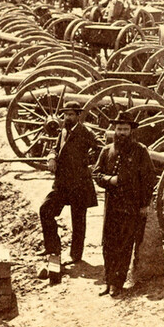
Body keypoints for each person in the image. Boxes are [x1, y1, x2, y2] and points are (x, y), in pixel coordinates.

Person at [93, 110, 157, 298]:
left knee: (124, 245)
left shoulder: (140, 151)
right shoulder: (106, 151)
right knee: (108, 244)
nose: (121, 133)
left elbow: (149, 179)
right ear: (114, 130)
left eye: (125, 129)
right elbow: (96, 174)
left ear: (131, 131)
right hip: (112, 206)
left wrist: (144, 204)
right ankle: (108, 280)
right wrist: (109, 180)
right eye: (119, 129)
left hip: (131, 206)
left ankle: (117, 283)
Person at [38, 101, 100, 277]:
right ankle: (53, 250)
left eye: (71, 115)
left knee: (78, 220)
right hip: (62, 183)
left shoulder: (86, 132)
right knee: (45, 210)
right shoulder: (63, 131)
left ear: (78, 116)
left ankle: (76, 255)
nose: (68, 118)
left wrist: (88, 166)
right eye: (65, 115)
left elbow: (99, 150)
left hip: (79, 183)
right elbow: (55, 148)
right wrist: (51, 157)